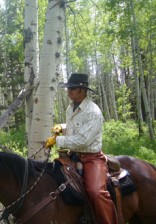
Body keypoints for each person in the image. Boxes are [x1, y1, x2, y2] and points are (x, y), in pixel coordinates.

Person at [45, 73, 118, 224]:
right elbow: (75, 129)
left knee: (96, 192)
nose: (68, 91)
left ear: (83, 90)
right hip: (73, 156)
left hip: (91, 158)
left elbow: (83, 140)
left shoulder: (93, 112)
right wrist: (62, 128)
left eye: (72, 88)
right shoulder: (70, 108)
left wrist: (57, 139)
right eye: (68, 88)